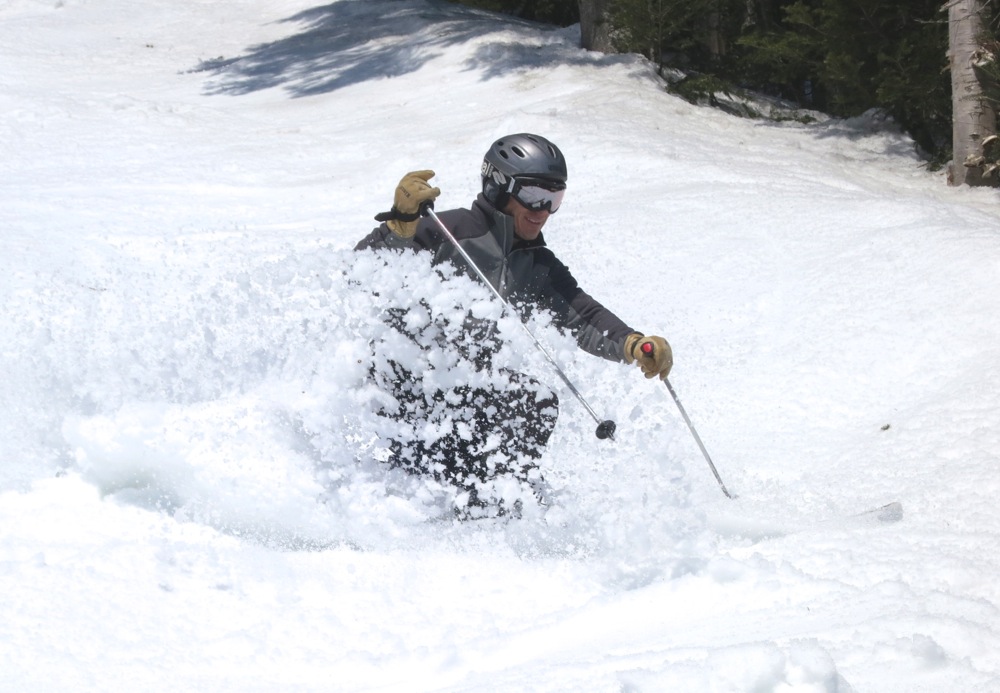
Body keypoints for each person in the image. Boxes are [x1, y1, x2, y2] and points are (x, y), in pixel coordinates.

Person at [355, 133, 672, 516]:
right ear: (498, 187)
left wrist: (633, 344)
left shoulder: (537, 262)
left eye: (555, 200)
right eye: (535, 195)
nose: (543, 211)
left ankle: (496, 507)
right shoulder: (446, 229)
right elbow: (364, 275)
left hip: (467, 390)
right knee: (448, 444)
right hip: (408, 382)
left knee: (533, 402)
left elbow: (580, 315)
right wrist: (399, 226)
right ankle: (435, 507)